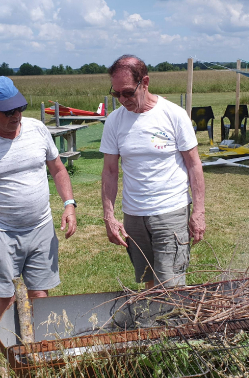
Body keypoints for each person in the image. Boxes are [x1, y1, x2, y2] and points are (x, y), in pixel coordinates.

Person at [0, 76, 77, 346]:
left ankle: (40, 350)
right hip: (3, 233)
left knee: (40, 295)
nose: (16, 115)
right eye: (7, 111)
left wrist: (69, 204)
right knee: (6, 298)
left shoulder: (37, 129)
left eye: (19, 108)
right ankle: (8, 356)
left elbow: (57, 168)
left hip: (41, 227)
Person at [100, 54, 206, 290]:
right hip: (134, 215)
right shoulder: (114, 121)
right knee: (149, 280)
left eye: (127, 92)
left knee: (170, 282)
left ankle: (173, 324)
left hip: (170, 210)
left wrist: (198, 210)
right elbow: (109, 171)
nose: (122, 99)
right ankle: (157, 325)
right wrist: (109, 216)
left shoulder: (173, 115)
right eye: (116, 94)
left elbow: (194, 164)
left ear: (145, 82)